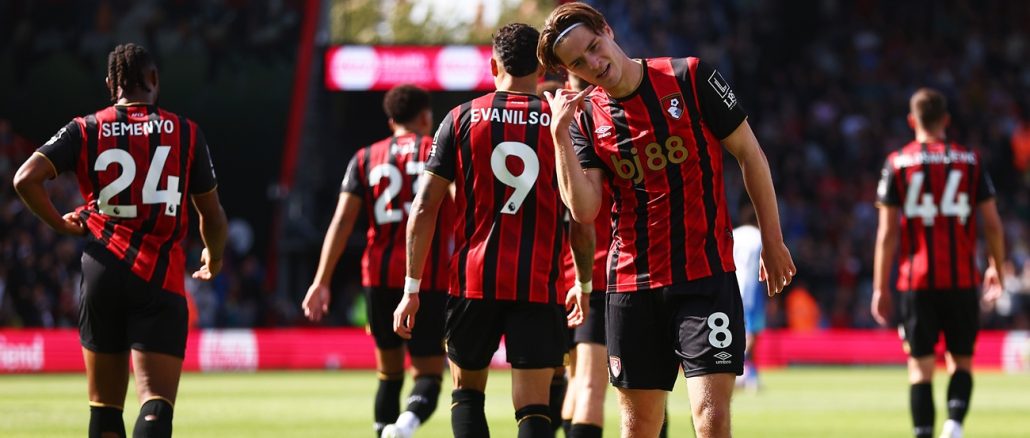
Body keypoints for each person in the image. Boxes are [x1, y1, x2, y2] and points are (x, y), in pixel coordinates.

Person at [537, 3, 797, 437]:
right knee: (639, 425)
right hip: (631, 285)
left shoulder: (690, 77)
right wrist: (559, 136)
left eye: (595, 48)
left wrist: (773, 240)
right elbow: (584, 210)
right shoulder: (584, 117)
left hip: (704, 276)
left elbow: (750, 154)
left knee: (710, 419)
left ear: (608, 30)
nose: (594, 64)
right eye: (579, 63)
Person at [12, 43, 227, 438]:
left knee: (104, 407)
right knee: (155, 402)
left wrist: (60, 224)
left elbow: (25, 178)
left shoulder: (86, 128)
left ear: (111, 84)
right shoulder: (186, 132)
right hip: (159, 277)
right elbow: (211, 216)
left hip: (102, 273)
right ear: (154, 80)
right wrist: (213, 258)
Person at [392, 23, 592, 438]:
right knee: (535, 406)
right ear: (541, 66)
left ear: (493, 64)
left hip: (472, 283)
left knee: (467, 394)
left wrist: (412, 286)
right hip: (540, 283)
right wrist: (585, 282)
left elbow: (425, 205)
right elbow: (579, 215)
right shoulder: (561, 124)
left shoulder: (460, 118)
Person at [300, 84, 451, 438]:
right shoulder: (438, 151)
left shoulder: (365, 157)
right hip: (427, 278)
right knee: (428, 375)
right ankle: (405, 425)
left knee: (389, 373)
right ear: (426, 116)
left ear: (390, 121)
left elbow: (341, 222)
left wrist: (321, 280)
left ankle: (387, 430)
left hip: (378, 278)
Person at [872, 87, 1006, 438]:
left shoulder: (896, 162)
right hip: (962, 278)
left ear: (911, 121)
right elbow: (992, 224)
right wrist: (996, 266)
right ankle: (955, 424)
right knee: (961, 361)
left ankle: (924, 434)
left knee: (920, 368)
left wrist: (878, 287)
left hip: (916, 281)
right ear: (946, 120)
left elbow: (887, 234)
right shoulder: (971, 161)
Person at [732, 198, 765, 392]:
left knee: (739, 330)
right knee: (752, 332)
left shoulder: (735, 235)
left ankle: (749, 374)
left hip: (733, 286)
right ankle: (742, 372)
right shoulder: (759, 237)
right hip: (752, 288)